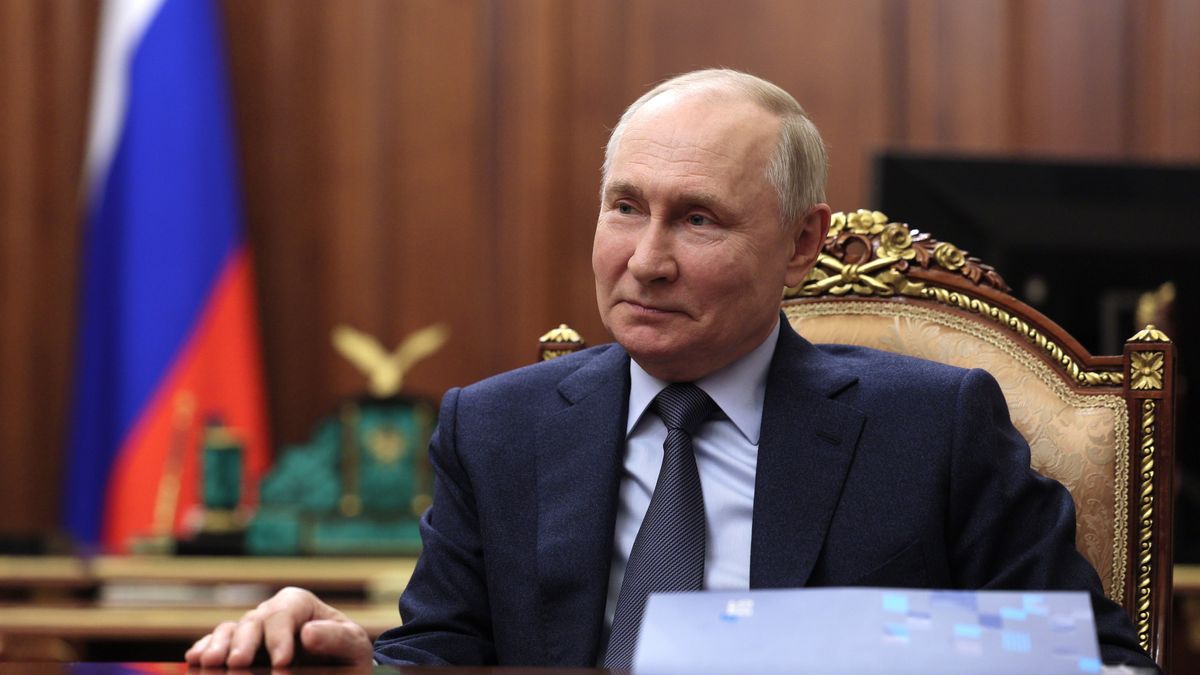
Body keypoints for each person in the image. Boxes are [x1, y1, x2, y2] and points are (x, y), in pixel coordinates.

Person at [186, 69, 1155, 670]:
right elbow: (445, 651)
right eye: (625, 207)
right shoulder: (497, 428)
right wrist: (358, 662)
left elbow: (1094, 659)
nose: (645, 261)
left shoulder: (931, 428)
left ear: (801, 243)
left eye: (697, 218)